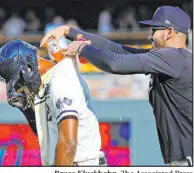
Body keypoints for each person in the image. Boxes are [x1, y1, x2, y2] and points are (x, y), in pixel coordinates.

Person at [40, 6, 193, 166]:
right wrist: (68, 31)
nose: (149, 36)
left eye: (154, 29)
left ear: (169, 32)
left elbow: (115, 64)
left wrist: (81, 48)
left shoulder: (173, 58)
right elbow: (117, 50)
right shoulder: (175, 60)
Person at [0, 40, 106, 166]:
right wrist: (27, 110)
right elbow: (47, 138)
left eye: (17, 80)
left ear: (28, 67)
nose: (17, 87)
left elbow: (68, 145)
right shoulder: (44, 84)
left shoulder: (62, 79)